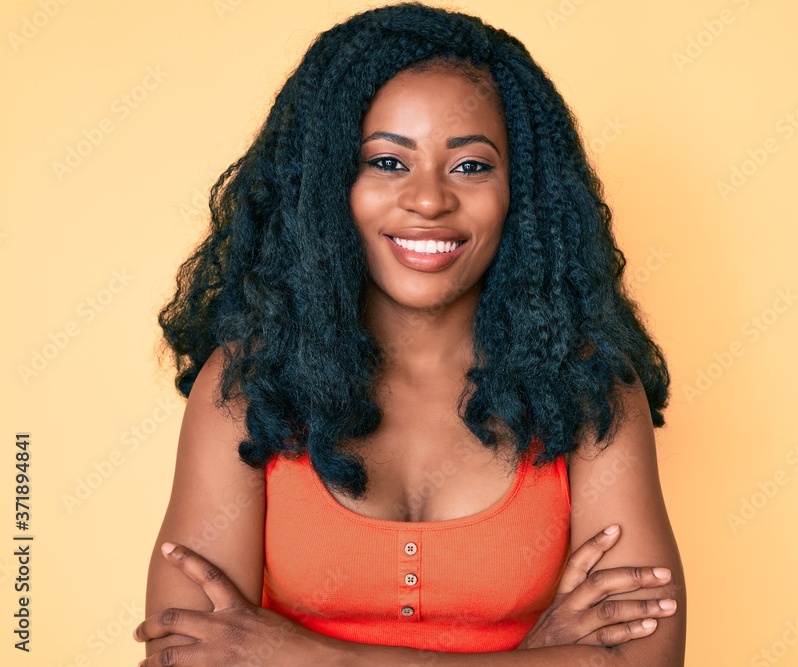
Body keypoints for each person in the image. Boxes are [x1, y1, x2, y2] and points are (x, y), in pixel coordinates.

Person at [135, 2, 686, 665]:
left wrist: (316, 655)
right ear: (328, 184)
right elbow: (183, 656)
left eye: (471, 165)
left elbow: (643, 662)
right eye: (388, 163)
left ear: (524, 191)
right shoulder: (249, 384)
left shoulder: (589, 385)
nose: (429, 199)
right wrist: (539, 657)